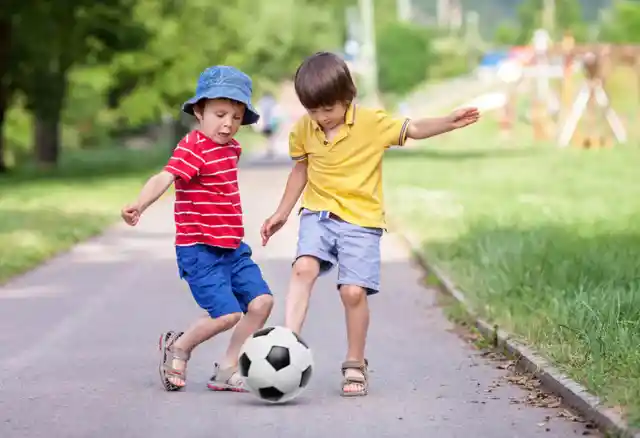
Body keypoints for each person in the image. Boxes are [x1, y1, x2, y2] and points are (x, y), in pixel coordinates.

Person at [260, 52, 479, 397]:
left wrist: (448, 122)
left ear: (348, 98)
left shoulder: (371, 123)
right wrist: (282, 212)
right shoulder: (305, 129)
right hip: (318, 213)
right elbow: (300, 170)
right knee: (303, 268)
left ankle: (355, 362)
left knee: (352, 292)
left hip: (361, 221)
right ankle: (287, 345)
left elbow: (414, 128)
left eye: (328, 109)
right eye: (312, 110)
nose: (321, 118)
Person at [121, 66, 274, 392]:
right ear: (199, 111)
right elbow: (166, 177)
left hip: (233, 248)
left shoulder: (232, 149)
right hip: (200, 251)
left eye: (236, 116)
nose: (228, 123)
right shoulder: (193, 147)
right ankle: (179, 347)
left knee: (261, 303)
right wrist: (140, 204)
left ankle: (228, 367)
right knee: (227, 314)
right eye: (219, 114)